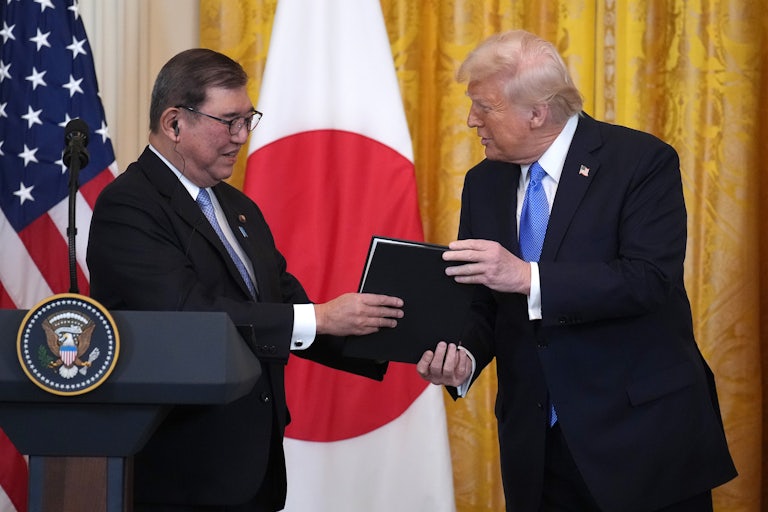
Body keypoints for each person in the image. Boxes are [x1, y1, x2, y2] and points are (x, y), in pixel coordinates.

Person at [416, 30, 737, 512]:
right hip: (537, 450)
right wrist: (464, 354)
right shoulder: (484, 181)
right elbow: (483, 300)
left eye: (484, 107)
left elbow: (648, 279)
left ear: (537, 113)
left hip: (640, 441)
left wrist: (528, 277)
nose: (471, 120)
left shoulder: (640, 162)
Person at [86, 48, 404, 512]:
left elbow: (284, 302)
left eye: (247, 120)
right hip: (180, 472)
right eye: (229, 121)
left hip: (253, 468)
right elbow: (189, 316)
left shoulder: (238, 207)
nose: (241, 136)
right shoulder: (129, 206)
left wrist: (403, 337)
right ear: (174, 123)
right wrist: (320, 317)